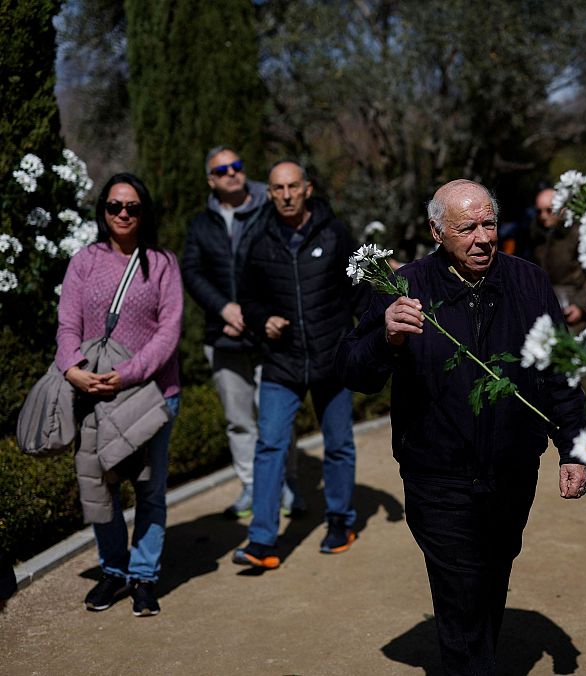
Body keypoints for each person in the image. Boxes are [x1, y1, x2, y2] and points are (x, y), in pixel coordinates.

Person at [338, 179, 586, 674]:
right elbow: (354, 371)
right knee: (459, 588)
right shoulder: (403, 287)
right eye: (467, 228)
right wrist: (385, 336)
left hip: (512, 469)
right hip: (438, 474)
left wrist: (574, 448)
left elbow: (559, 370)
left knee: (493, 575)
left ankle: (479, 660)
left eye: (489, 224)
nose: (482, 238)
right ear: (437, 231)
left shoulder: (528, 282)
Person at [56, 173, 182, 616]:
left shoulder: (162, 263)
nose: (123, 214)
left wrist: (126, 374)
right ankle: (114, 570)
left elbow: (169, 332)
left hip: (151, 394)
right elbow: (68, 321)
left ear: (143, 212)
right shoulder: (84, 261)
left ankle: (144, 576)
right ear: (103, 211)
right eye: (114, 207)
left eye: (131, 207)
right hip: (94, 394)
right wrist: (71, 368)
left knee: (149, 490)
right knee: (100, 487)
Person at [232, 160, 368, 568]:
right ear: (269, 193)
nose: (287, 195)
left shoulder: (335, 231)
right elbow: (248, 297)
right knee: (270, 445)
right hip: (282, 361)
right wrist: (261, 320)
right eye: (278, 188)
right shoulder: (257, 238)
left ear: (307, 188)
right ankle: (262, 541)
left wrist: (374, 341)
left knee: (338, 445)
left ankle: (340, 522)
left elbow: (359, 291)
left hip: (332, 357)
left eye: (293, 186)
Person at [182, 146, 303, 519]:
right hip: (223, 335)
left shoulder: (271, 210)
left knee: (277, 418)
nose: (231, 173)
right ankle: (251, 487)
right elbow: (192, 273)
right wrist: (224, 308)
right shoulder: (201, 225)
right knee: (239, 420)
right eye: (222, 170)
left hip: (269, 334)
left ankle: (285, 485)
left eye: (237, 166)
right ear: (211, 180)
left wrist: (258, 313)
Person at [531, 187, 586, 333]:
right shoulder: (536, 238)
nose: (543, 216)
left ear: (561, 209)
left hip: (574, 311)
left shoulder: (578, 234)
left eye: (549, 210)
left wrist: (581, 306)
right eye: (538, 211)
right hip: (545, 309)